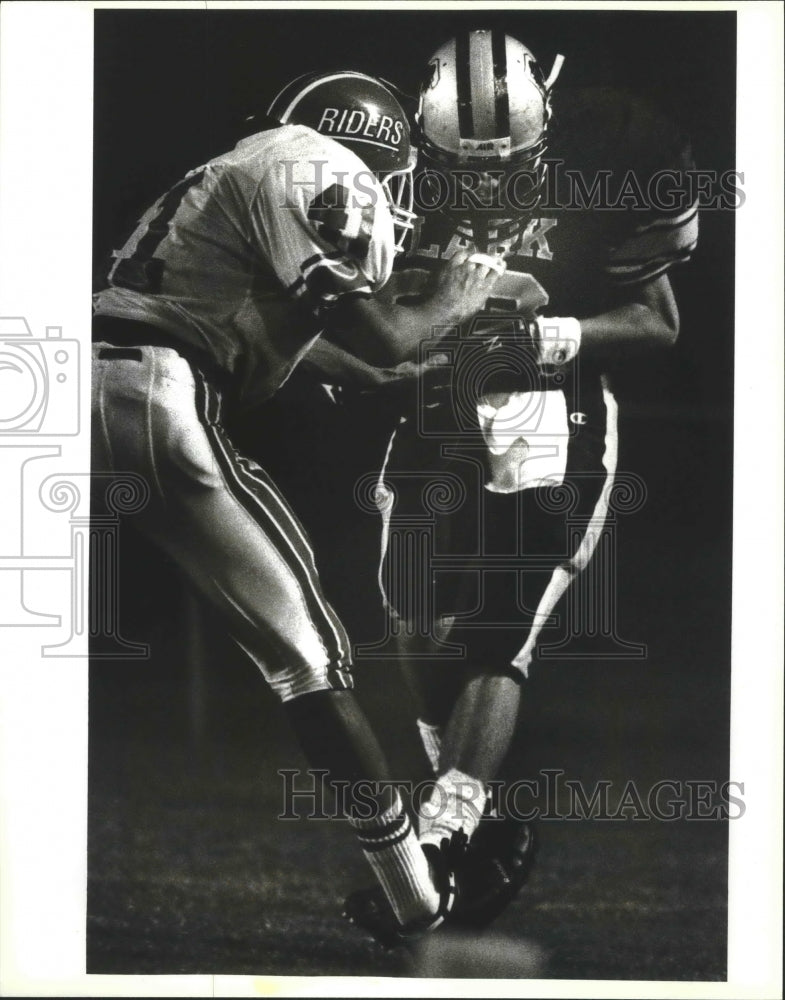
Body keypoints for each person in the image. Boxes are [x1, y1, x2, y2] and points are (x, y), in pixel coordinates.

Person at [91, 69, 504, 939]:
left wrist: (405, 368)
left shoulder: (241, 168)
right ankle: (415, 895)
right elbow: (383, 330)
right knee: (308, 656)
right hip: (150, 395)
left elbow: (332, 354)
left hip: (73, 382)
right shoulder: (317, 164)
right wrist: (456, 297)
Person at [303, 30, 697, 940]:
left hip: (548, 412)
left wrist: (548, 337)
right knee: (411, 618)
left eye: (506, 162)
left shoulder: (606, 161)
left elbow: (655, 320)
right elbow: (373, 309)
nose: (481, 182)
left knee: (499, 627)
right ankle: (470, 806)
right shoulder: (387, 168)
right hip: (435, 412)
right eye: (459, 164)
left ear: (547, 122)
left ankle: (443, 834)